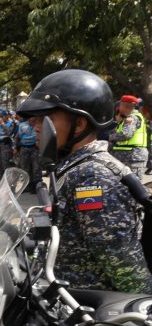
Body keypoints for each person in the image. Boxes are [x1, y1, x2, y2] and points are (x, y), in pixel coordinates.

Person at [17, 69, 151, 294]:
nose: (35, 126)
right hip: (67, 298)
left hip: (90, 311)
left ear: (79, 125)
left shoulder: (92, 176)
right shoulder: (73, 167)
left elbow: (124, 266)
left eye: (44, 118)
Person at [110, 94, 147, 178]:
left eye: (120, 105)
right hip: (127, 156)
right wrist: (118, 122)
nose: (118, 108)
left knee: (133, 187)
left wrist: (110, 137)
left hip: (133, 157)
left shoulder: (132, 118)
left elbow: (126, 134)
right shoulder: (125, 118)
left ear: (126, 107)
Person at [13, 115, 42, 191]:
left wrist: (27, 138)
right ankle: (27, 186)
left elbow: (39, 136)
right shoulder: (22, 125)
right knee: (25, 168)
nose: (33, 119)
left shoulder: (39, 125)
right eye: (32, 118)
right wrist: (15, 147)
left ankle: (37, 186)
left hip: (35, 148)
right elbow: (18, 137)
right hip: (24, 148)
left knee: (36, 168)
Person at [0, 109, 17, 178]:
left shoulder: (11, 123)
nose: (0, 118)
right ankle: (1, 178)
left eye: (2, 116)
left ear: (6, 116)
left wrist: (2, 124)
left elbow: (9, 132)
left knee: (5, 163)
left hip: (6, 145)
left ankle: (8, 180)